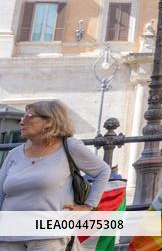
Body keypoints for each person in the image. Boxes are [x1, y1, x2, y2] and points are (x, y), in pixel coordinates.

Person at [0, 100, 111, 251]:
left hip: (47, 235)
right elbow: (1, 192)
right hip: (9, 235)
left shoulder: (69, 147)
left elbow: (102, 171)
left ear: (49, 122)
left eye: (29, 116)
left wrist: (88, 206)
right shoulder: (14, 154)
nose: (22, 121)